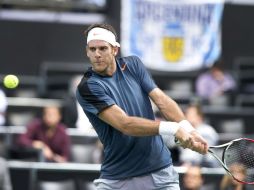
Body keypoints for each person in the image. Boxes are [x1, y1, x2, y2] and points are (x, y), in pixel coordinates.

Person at [76, 23, 208, 189]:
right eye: (92, 49)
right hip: (118, 179)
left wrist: (189, 129)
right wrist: (174, 129)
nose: (97, 54)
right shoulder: (88, 87)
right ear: (87, 51)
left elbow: (161, 100)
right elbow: (125, 124)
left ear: (115, 50)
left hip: (160, 173)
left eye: (102, 48)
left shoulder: (133, 65)